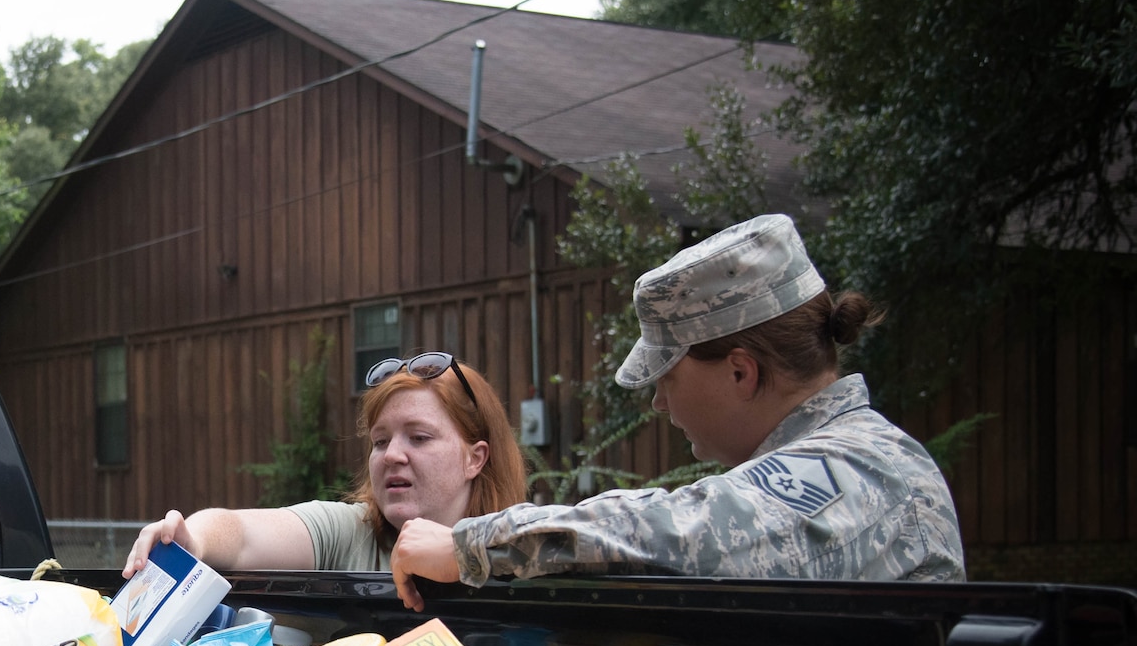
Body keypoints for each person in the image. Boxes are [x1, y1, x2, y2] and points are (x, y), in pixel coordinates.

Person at [390, 213, 966, 611]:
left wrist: (470, 546)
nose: (659, 402)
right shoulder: (847, 459)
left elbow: (679, 530)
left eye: (667, 376)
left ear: (741, 372)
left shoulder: (860, 468)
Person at [123, 353, 526, 575]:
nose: (392, 455)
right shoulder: (350, 533)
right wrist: (192, 539)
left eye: (419, 438)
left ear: (475, 458)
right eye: (380, 441)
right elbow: (242, 532)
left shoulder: (523, 550)